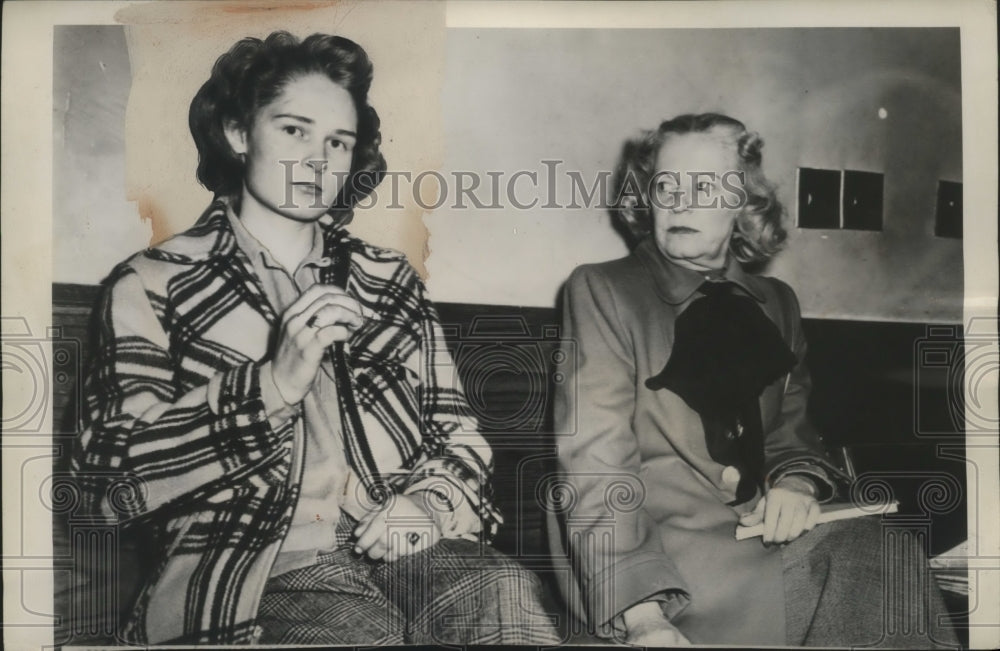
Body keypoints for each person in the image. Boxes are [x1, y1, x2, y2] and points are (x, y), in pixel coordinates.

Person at [71, 31, 558, 646]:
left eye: (338, 142)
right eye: (294, 131)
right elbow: (105, 485)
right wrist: (270, 386)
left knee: (504, 596)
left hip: (409, 549)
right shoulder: (152, 284)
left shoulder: (389, 280)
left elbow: (458, 432)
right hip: (256, 571)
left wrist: (430, 504)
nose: (317, 161)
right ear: (238, 133)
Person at [549, 113, 958, 647]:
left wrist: (795, 484)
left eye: (704, 185)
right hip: (656, 563)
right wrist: (644, 615)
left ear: (743, 199)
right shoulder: (604, 290)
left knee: (885, 552)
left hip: (763, 538)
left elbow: (792, 435)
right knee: (868, 569)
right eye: (666, 184)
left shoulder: (777, 303)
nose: (679, 201)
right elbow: (594, 467)